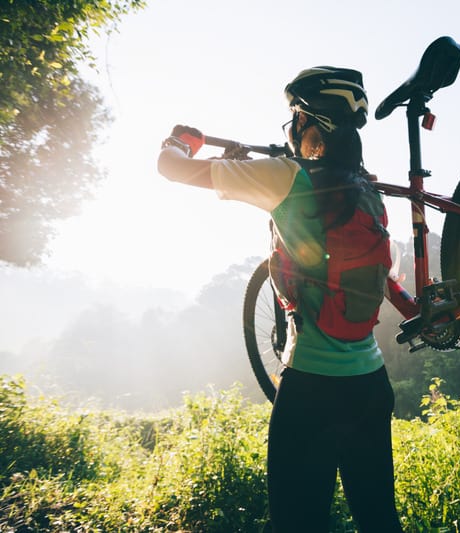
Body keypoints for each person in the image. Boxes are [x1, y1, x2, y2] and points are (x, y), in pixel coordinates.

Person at [157, 67, 404, 533]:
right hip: (372, 387)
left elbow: (171, 170)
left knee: (297, 524)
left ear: (310, 123)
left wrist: (179, 141)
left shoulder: (285, 176)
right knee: (379, 520)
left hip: (311, 390)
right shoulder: (366, 187)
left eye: (294, 118)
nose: (290, 129)